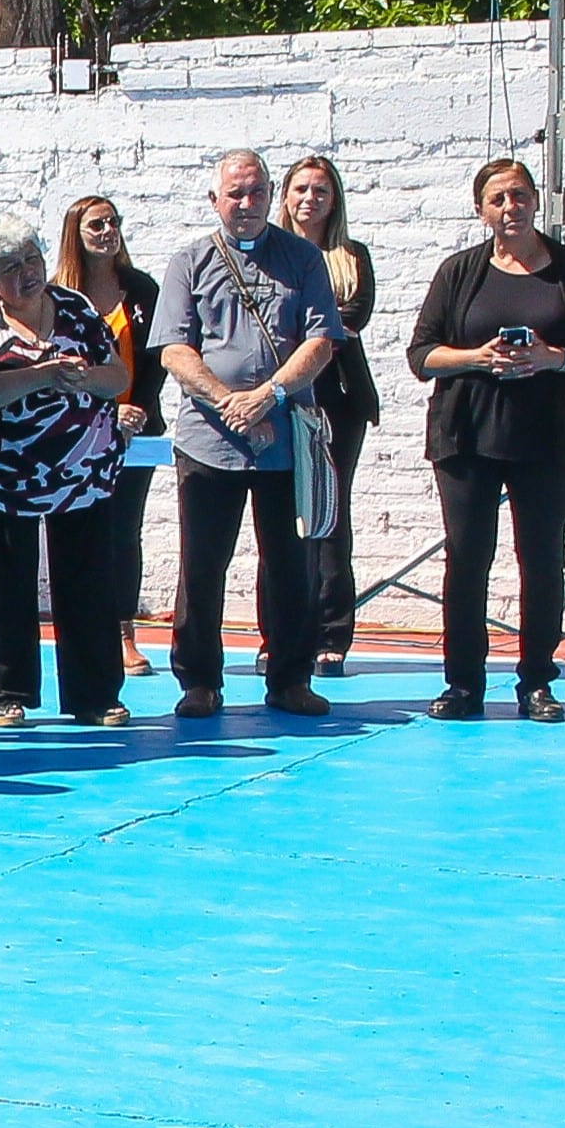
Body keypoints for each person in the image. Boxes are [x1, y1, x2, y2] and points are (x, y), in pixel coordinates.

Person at [405, 158, 565, 722]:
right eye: (499, 199)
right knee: (467, 559)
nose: (511, 208)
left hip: (547, 436)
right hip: (468, 434)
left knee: (542, 560)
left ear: (535, 202)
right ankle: (463, 685)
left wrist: (552, 358)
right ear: (482, 210)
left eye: (520, 196)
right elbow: (422, 354)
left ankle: (537, 682)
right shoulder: (459, 272)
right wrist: (477, 358)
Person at [157, 149, 342, 719]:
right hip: (208, 442)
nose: (246, 203)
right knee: (202, 566)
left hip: (284, 441)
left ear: (272, 196)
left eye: (257, 192)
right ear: (215, 200)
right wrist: (227, 400)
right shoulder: (189, 261)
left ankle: (291, 678)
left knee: (291, 566)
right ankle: (199, 681)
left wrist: (269, 395)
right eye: (235, 194)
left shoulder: (304, 259)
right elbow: (174, 348)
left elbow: (320, 342)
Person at [0, 220, 130, 725]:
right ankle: (8, 691)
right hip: (5, 471)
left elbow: (117, 375)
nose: (28, 273)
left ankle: (94, 694)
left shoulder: (76, 308)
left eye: (32, 259)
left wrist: (86, 378)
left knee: (89, 583)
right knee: (3, 584)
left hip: (84, 468)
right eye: (10, 268)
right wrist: (41, 377)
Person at [48, 197, 166, 699]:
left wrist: (137, 405)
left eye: (113, 223)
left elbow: (159, 356)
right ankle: (78, 636)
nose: (107, 232)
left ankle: (122, 631)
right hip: (75, 430)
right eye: (96, 225)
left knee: (124, 530)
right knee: (78, 533)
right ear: (76, 232)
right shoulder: (59, 293)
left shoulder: (141, 290)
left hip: (136, 430)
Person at [278, 155, 385, 675]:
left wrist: (304, 325)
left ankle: (331, 634)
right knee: (280, 515)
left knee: (331, 513)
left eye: (321, 190)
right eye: (301, 189)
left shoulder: (351, 256)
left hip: (339, 400)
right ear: (285, 196)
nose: (310, 199)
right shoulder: (269, 253)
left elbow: (351, 319)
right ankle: (277, 631)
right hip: (283, 395)